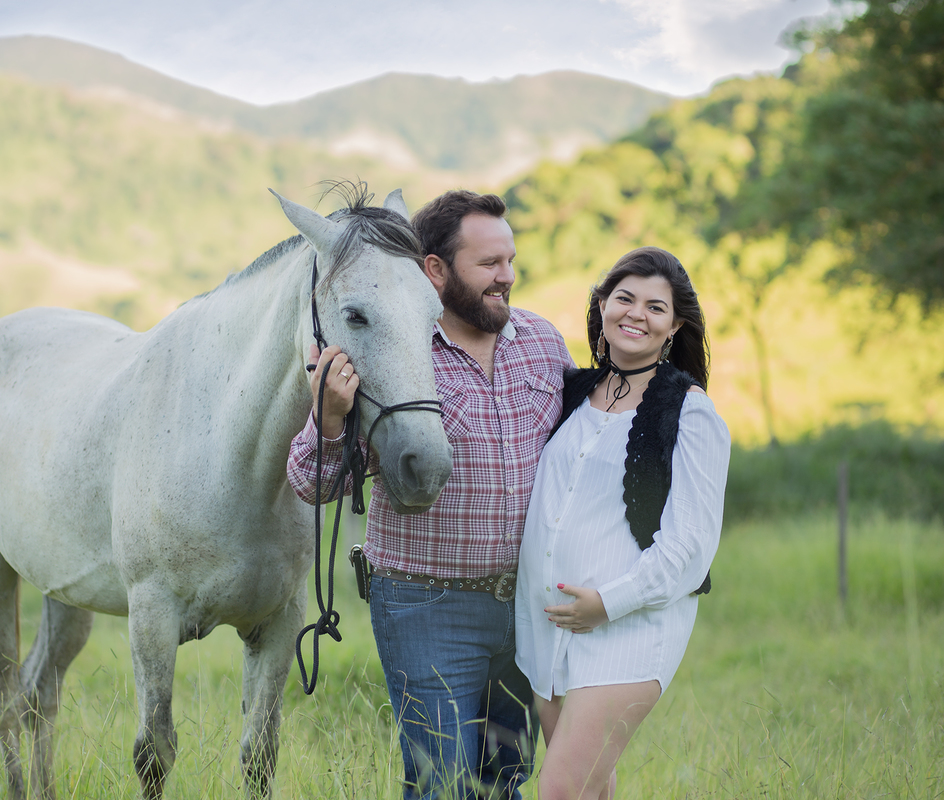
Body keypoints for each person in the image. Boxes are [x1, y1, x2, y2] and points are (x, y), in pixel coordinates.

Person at [287, 190, 574, 799]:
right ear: (435, 271)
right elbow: (313, 484)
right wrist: (331, 419)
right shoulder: (393, 350)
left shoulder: (544, 345)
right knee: (442, 784)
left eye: (511, 260)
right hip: (427, 606)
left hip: (528, 609)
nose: (507, 277)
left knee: (506, 781)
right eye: (489, 264)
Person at [514, 246, 730, 800]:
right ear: (603, 305)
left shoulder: (691, 412)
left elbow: (690, 547)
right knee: (590, 791)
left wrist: (606, 604)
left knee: (560, 790)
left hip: (627, 631)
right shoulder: (572, 392)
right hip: (549, 630)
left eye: (655, 307)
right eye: (625, 298)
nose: (637, 314)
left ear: (674, 325)